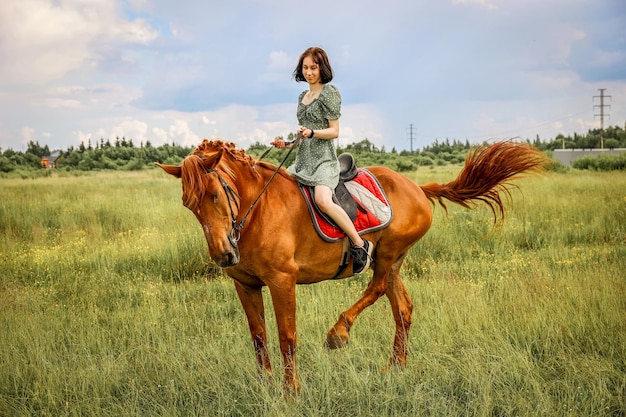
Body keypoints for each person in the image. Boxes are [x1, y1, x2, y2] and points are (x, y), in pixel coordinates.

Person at [270, 46, 374, 274]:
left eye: (313, 68)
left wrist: (313, 133)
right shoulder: (303, 96)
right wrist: (285, 144)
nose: (309, 72)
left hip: (323, 162)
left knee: (323, 201)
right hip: (302, 161)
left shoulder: (329, 93)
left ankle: (360, 244)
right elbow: (302, 135)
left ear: (321, 68)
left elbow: (334, 131)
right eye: (305, 68)